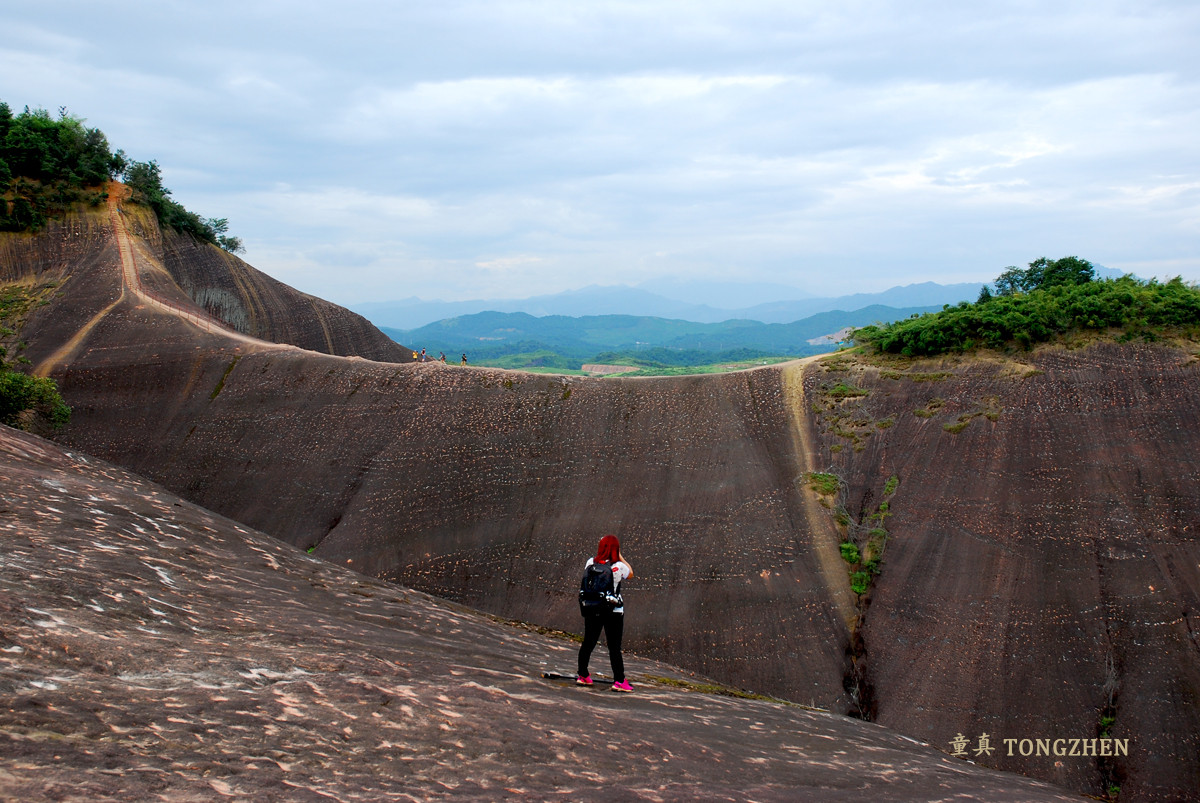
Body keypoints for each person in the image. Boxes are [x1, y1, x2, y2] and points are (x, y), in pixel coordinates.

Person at [577, 534, 634, 692]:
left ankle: (583, 675)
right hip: (613, 610)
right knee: (614, 646)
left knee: (588, 642)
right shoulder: (618, 566)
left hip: (593, 607)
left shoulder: (591, 562)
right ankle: (619, 680)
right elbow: (630, 573)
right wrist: (620, 555)